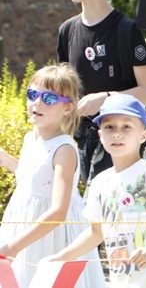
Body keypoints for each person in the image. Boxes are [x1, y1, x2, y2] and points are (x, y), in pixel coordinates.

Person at [45, 94, 146, 287]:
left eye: (126, 126)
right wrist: (60, 257)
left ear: (143, 135)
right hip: (120, 280)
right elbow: (95, 233)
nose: (117, 133)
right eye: (109, 127)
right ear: (100, 135)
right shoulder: (100, 182)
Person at [57, 0, 146, 189]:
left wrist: (105, 98)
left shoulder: (126, 30)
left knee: (104, 211)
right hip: (81, 138)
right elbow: (64, 91)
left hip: (119, 138)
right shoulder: (67, 30)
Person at [0, 64, 105, 288]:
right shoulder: (31, 138)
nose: (37, 102)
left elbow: (58, 210)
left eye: (48, 98)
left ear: (68, 108)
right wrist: (5, 158)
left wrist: (13, 247)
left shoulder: (64, 150)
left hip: (53, 234)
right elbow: (33, 176)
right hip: (25, 225)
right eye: (32, 94)